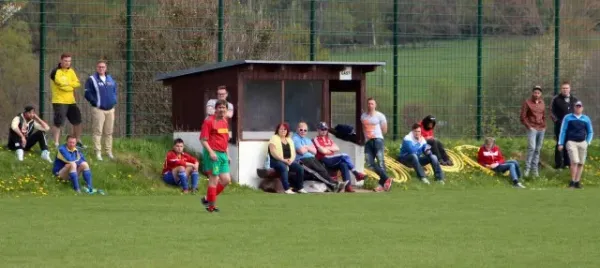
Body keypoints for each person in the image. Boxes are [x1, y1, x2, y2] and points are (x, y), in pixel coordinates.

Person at [291, 122, 346, 193]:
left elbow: (314, 152)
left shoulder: (307, 139)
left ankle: (333, 185)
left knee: (322, 170)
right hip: (302, 159)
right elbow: (301, 151)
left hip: (312, 158)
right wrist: (308, 148)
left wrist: (306, 147)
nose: (303, 132)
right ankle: (335, 184)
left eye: (305, 130)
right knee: (317, 172)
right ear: (297, 129)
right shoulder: (295, 138)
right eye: (301, 130)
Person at [313, 122, 367, 193]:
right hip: (324, 159)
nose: (324, 131)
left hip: (332, 159)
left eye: (325, 129)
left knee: (344, 164)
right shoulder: (316, 139)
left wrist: (327, 149)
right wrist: (329, 149)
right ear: (318, 130)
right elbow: (322, 151)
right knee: (345, 155)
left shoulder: (328, 139)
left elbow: (337, 148)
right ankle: (356, 174)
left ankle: (348, 186)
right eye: (322, 129)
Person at [200, 100, 232, 212]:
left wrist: (228, 155)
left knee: (226, 180)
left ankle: (207, 198)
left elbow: (225, 140)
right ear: (216, 109)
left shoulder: (225, 122)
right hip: (213, 154)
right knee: (214, 179)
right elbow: (203, 140)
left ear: (226, 110)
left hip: (223, 154)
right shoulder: (209, 121)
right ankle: (211, 206)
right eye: (220, 107)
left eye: (224, 108)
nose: (222, 110)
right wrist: (211, 152)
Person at [84, 59, 117, 161]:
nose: (101, 69)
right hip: (99, 110)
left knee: (109, 132)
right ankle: (98, 152)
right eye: (99, 67)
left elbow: (115, 90)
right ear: (96, 68)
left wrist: (114, 100)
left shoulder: (110, 78)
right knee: (98, 131)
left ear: (106, 68)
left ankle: (108, 152)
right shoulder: (92, 79)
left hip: (110, 109)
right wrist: (95, 103)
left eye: (103, 67)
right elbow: (87, 93)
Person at [50, 52, 84, 148]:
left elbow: (77, 83)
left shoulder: (71, 71)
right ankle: (56, 143)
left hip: (71, 101)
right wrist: (70, 85)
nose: (67, 63)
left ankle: (77, 141)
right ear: (61, 60)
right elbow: (61, 85)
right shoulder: (56, 72)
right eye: (65, 61)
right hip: (59, 101)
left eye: (69, 61)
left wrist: (68, 85)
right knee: (59, 122)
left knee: (77, 120)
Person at [558, 101, 593, 189]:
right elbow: (563, 130)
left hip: (582, 142)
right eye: (577, 106)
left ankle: (577, 182)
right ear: (574, 107)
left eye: (579, 106)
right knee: (574, 161)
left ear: (582, 108)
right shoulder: (568, 117)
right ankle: (572, 181)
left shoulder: (586, 118)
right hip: (571, 142)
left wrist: (587, 142)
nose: (578, 108)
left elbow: (590, 131)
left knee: (581, 163)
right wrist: (560, 143)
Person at [361, 97, 391, 192]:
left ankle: (382, 185)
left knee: (380, 162)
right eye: (369, 103)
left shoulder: (380, 116)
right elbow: (363, 129)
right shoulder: (363, 116)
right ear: (367, 105)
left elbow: (385, 130)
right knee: (369, 163)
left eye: (372, 104)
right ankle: (387, 178)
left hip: (378, 140)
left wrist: (377, 136)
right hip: (368, 141)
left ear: (375, 105)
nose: (370, 105)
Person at [267, 122, 306, 194]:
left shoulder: (289, 139)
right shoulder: (274, 138)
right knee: (283, 167)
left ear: (287, 131)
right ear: (277, 130)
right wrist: (283, 160)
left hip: (288, 161)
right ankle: (287, 188)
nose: (283, 131)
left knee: (300, 168)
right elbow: (273, 153)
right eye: (281, 129)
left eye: (285, 129)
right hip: (276, 161)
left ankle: (300, 188)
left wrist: (291, 160)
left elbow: (293, 152)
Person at [520, 85, 546, 177]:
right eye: (535, 92)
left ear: (541, 94)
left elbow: (543, 115)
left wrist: (544, 125)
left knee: (538, 149)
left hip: (541, 128)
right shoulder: (527, 103)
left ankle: (535, 172)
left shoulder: (542, 103)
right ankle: (527, 170)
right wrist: (529, 126)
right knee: (532, 148)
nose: (536, 94)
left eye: (538, 93)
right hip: (532, 128)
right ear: (532, 93)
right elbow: (522, 117)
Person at [551, 81, 578, 169]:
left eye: (567, 88)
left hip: (571, 127)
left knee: (569, 144)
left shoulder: (575, 100)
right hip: (560, 126)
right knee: (560, 144)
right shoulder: (556, 99)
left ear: (570, 89)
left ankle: (568, 163)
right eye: (563, 88)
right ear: (561, 89)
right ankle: (558, 165)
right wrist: (557, 121)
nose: (565, 90)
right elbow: (551, 112)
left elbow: (578, 112)